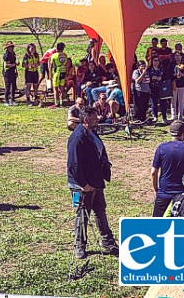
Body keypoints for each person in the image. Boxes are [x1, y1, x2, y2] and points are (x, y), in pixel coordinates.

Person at [67, 106, 118, 259]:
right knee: (83, 215)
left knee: (100, 211)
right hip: (83, 185)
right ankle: (79, 245)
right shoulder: (77, 138)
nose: (97, 120)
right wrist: (83, 184)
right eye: (94, 118)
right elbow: (73, 164)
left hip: (96, 181)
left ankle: (107, 241)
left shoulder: (92, 132)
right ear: (85, 120)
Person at [151, 121, 184, 216]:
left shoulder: (161, 148)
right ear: (183, 133)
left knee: (156, 226)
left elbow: (153, 172)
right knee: (180, 227)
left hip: (164, 192)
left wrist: (157, 189)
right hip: (183, 194)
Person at [148, 57, 169, 123]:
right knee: (154, 103)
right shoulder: (149, 70)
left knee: (163, 103)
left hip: (162, 88)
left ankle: (164, 117)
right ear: (152, 61)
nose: (156, 62)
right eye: (155, 60)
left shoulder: (162, 69)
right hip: (153, 88)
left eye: (158, 60)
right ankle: (155, 117)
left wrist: (161, 78)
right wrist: (153, 78)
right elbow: (148, 78)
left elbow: (166, 77)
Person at [49, 42, 68, 108]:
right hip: (64, 72)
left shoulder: (54, 55)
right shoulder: (65, 55)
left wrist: (50, 75)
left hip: (57, 73)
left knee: (55, 89)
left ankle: (56, 103)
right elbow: (66, 65)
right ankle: (61, 102)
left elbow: (50, 66)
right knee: (62, 88)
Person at [171, 52, 184, 121]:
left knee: (181, 101)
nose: (177, 57)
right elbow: (169, 74)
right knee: (173, 100)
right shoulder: (171, 64)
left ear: (181, 57)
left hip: (182, 84)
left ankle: (180, 116)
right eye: (176, 55)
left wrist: (182, 74)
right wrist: (174, 76)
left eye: (179, 55)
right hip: (174, 84)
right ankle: (173, 115)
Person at [2, 41, 18, 106]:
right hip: (7, 72)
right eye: (10, 47)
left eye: (12, 47)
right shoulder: (6, 55)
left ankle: (12, 99)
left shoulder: (13, 53)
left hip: (13, 71)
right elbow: (6, 65)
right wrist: (14, 64)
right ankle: (6, 100)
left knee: (13, 86)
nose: (11, 48)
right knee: (7, 86)